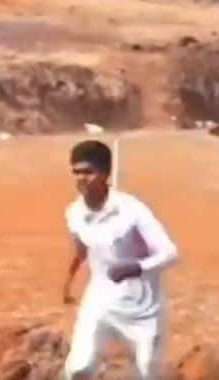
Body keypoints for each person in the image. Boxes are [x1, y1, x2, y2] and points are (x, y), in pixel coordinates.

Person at [61, 140, 179, 380]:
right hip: (100, 303)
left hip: (144, 310)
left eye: (89, 172)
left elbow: (169, 252)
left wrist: (136, 267)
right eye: (77, 172)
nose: (82, 178)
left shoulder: (132, 210)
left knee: (148, 372)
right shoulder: (75, 213)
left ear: (105, 174)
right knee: (78, 369)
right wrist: (68, 282)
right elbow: (80, 250)